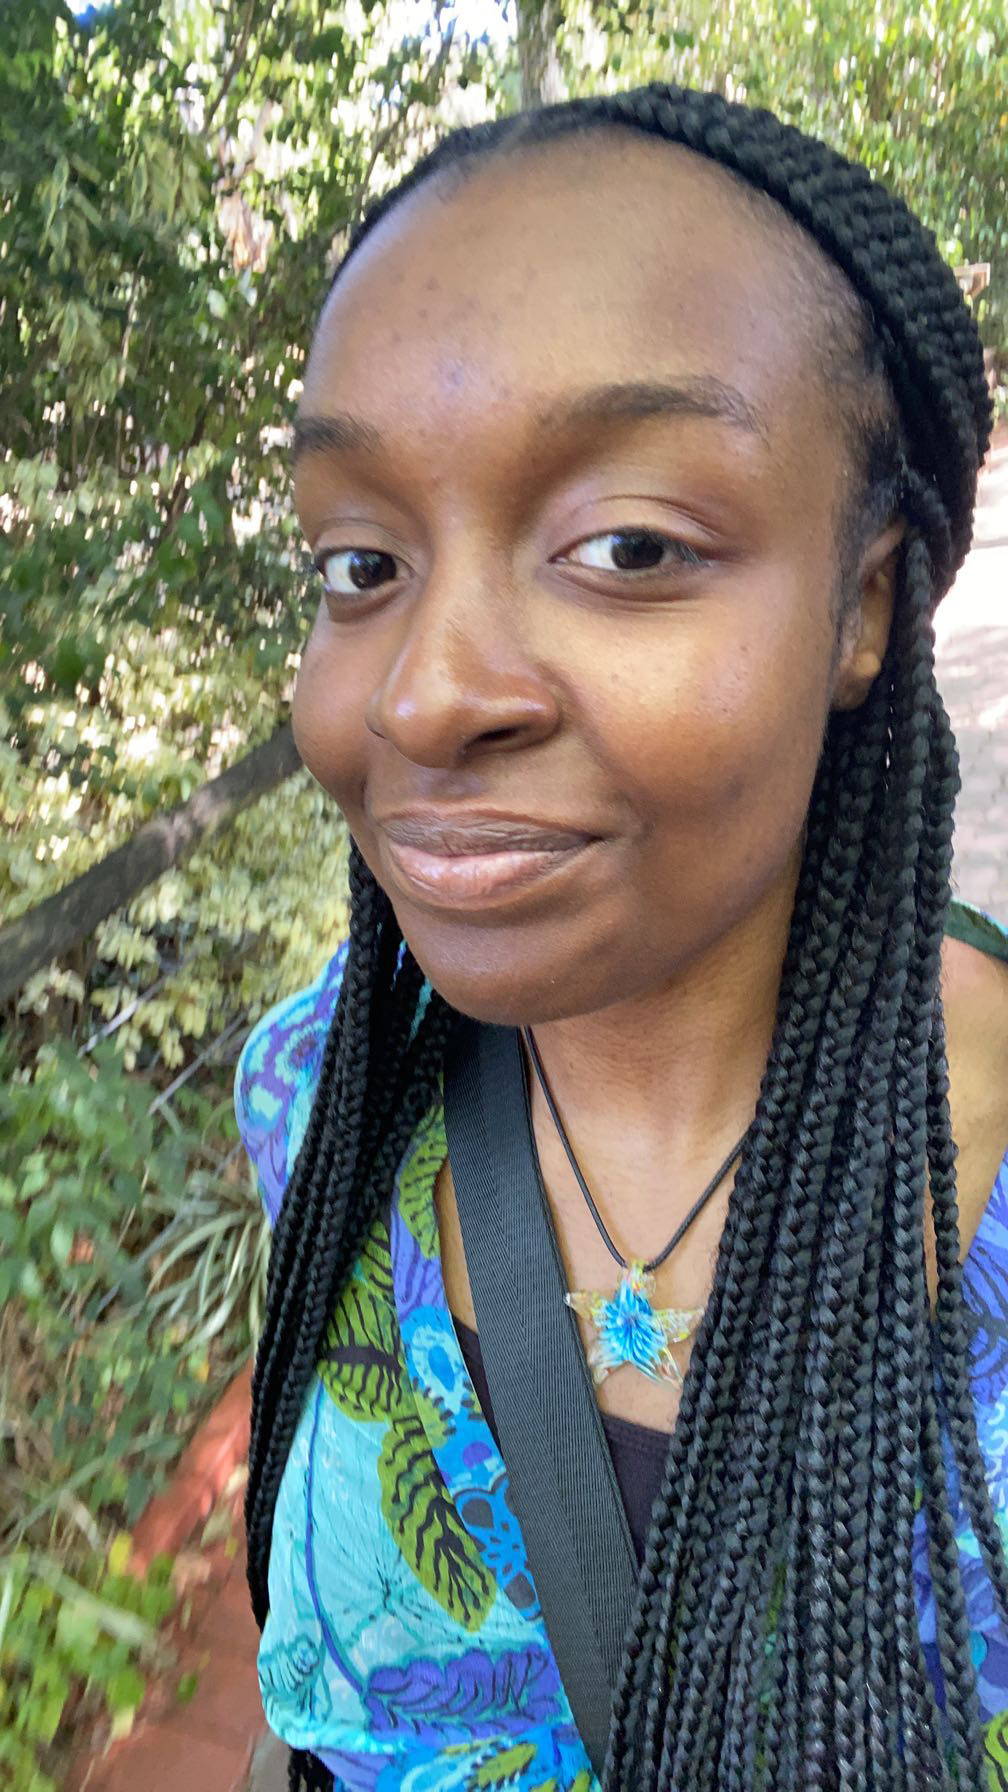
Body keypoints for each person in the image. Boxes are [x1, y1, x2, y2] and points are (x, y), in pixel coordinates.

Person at [233, 81, 1008, 1792]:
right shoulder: (314, 1088)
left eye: (630, 545)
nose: (425, 696)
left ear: (866, 601)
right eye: (358, 564)